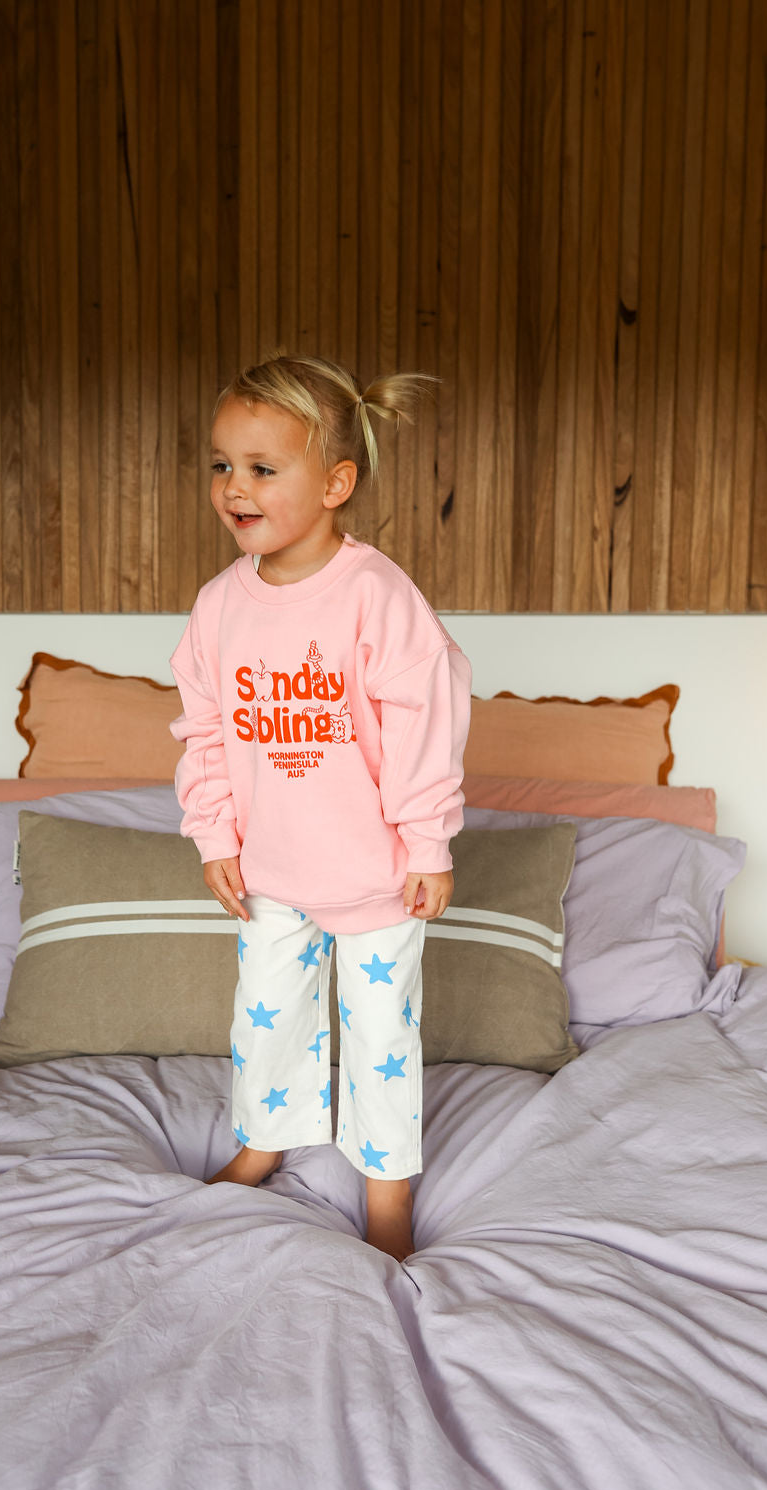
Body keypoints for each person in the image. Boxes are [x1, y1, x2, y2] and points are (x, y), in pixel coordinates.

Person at [169, 354, 471, 1263]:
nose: (235, 487)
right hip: (272, 872)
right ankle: (265, 1141)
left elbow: (426, 720)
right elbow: (205, 726)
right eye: (222, 465)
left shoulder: (376, 595)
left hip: (375, 874)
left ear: (335, 482)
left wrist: (428, 844)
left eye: (264, 468)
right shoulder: (220, 605)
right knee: (264, 1012)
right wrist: (214, 831)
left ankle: (386, 1190)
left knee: (381, 1035)